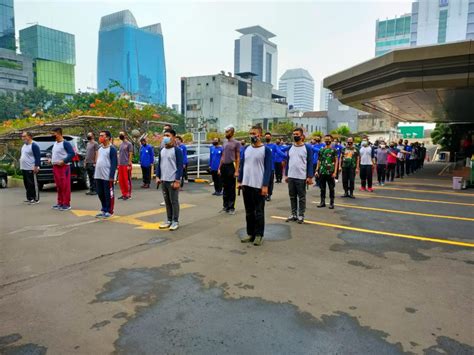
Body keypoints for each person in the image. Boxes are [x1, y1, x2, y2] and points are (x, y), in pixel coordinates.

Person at [238, 126, 273, 246]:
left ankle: (259, 235)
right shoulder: (246, 148)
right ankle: (250, 233)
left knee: (259, 212)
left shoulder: (266, 150)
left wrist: (265, 185)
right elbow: (242, 165)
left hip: (258, 186)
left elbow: (268, 169)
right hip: (246, 184)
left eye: (254, 133)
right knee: (249, 211)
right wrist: (239, 181)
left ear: (260, 135)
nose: (252, 135)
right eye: (250, 133)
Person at [155, 129, 184, 231]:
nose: (165, 137)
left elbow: (180, 166)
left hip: (172, 181)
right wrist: (157, 176)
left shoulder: (177, 151)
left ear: (173, 137)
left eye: (167, 135)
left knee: (174, 201)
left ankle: (175, 221)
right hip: (164, 180)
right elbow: (159, 165)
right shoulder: (162, 150)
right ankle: (169, 220)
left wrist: (177, 180)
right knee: (167, 201)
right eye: (164, 135)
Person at [285, 128, 313, 224]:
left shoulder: (307, 148)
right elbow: (288, 162)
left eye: (297, 134)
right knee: (292, 196)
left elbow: (310, 163)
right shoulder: (290, 148)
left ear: (301, 136)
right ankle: (293, 214)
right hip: (291, 176)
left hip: (301, 177)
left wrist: (309, 176)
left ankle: (301, 215)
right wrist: (286, 175)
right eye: (293, 134)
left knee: (301, 197)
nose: (295, 136)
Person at [94, 130, 118, 218]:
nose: (100, 137)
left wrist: (112, 176)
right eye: (100, 135)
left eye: (102, 135)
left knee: (108, 194)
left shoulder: (112, 149)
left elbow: (114, 163)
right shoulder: (100, 148)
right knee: (100, 193)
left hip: (107, 176)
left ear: (107, 137)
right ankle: (104, 209)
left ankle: (109, 210)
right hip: (98, 175)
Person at [50, 127, 75, 210]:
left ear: (58, 133)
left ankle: (66, 204)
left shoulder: (65, 143)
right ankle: (60, 202)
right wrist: (51, 160)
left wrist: (64, 161)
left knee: (65, 186)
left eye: (53, 133)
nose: (52, 135)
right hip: (55, 167)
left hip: (64, 167)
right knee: (59, 186)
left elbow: (72, 154)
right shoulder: (55, 143)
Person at [218, 125, 241, 215]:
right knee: (225, 187)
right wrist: (219, 168)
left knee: (231, 188)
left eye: (228, 132)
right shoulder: (224, 142)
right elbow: (223, 156)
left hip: (231, 166)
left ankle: (231, 207)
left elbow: (238, 157)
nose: (226, 133)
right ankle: (225, 206)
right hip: (224, 166)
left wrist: (236, 170)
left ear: (232, 132)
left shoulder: (236, 143)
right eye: (225, 132)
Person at [316, 135, 338, 209]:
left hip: (330, 172)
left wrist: (335, 172)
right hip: (322, 171)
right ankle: (322, 202)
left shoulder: (334, 150)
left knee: (331, 188)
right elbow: (319, 160)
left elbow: (336, 161)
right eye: (326, 140)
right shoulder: (321, 150)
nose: (327, 141)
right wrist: (317, 170)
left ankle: (332, 203)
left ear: (331, 140)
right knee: (322, 188)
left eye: (328, 139)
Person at [19, 131, 41, 204]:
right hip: (24, 168)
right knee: (27, 184)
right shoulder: (24, 145)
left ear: (29, 136)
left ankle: (35, 199)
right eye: (22, 136)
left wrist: (36, 166)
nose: (23, 138)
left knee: (32, 184)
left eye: (24, 136)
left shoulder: (34, 145)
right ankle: (29, 198)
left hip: (31, 168)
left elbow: (38, 157)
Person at [118, 131, 133, 200]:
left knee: (127, 180)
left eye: (122, 134)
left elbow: (130, 154)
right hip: (120, 164)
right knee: (121, 180)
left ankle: (128, 194)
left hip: (126, 164)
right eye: (120, 134)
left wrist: (129, 164)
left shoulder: (129, 144)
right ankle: (123, 193)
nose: (120, 135)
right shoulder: (121, 144)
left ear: (126, 135)